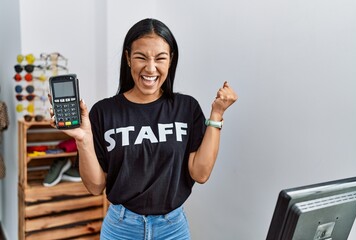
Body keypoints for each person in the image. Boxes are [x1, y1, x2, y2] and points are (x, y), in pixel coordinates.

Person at [50, 18, 237, 239]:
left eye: (160, 58)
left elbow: (201, 173)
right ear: (128, 58)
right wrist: (83, 140)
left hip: (173, 229)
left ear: (171, 60)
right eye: (141, 57)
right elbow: (95, 186)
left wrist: (216, 114)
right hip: (120, 229)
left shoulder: (186, 108)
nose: (150, 68)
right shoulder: (103, 112)